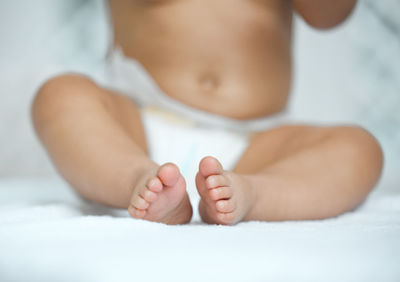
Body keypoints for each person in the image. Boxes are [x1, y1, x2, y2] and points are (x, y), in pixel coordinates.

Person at [31, 0, 383, 225]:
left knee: (359, 147)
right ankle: (135, 178)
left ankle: (255, 194)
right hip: (137, 125)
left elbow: (329, 15)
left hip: (255, 147)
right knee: (60, 95)